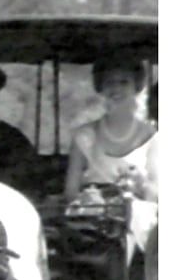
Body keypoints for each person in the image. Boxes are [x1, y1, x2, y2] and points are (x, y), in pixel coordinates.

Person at [65, 57, 157, 231]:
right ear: (100, 87)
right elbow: (70, 191)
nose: (116, 89)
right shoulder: (84, 135)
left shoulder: (153, 137)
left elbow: (160, 193)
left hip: (141, 225)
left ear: (136, 86)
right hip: (93, 220)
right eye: (109, 83)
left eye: (124, 82)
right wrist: (87, 200)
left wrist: (141, 183)